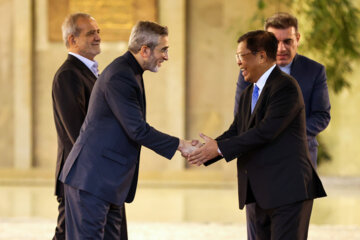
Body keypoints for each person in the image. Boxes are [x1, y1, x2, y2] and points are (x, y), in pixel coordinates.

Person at [59, 21, 195, 239]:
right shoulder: (120, 75)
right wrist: (180, 145)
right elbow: (138, 130)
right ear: (144, 50)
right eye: (164, 50)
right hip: (91, 181)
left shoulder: (130, 72)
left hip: (108, 183)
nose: (166, 57)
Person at [188, 30, 327, 240]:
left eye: (241, 56)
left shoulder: (285, 87)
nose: (238, 63)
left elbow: (264, 132)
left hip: (288, 192)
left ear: (261, 56)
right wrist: (206, 150)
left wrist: (218, 148)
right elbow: (237, 130)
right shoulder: (248, 94)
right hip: (260, 193)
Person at [233, 12, 331, 240]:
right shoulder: (248, 72)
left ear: (298, 38)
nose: (281, 48)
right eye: (274, 41)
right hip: (257, 166)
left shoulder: (314, 71)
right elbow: (242, 118)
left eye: (287, 40)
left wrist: (284, 132)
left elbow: (321, 115)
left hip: (295, 166)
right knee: (257, 233)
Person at [52, 13, 128, 240]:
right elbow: (78, 134)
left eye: (98, 32)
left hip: (95, 178)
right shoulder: (68, 75)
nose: (97, 37)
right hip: (82, 179)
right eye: (90, 33)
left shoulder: (88, 73)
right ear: (72, 40)